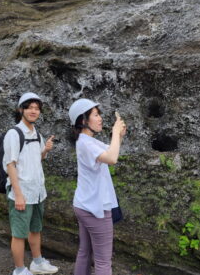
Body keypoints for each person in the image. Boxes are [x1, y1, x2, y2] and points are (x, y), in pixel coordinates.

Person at [68, 98, 126, 275]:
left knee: (85, 252)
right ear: (83, 121)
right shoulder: (86, 143)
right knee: (103, 262)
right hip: (96, 209)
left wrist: (119, 137)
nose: (100, 118)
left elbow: (110, 151)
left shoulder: (87, 141)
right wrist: (115, 132)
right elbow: (112, 159)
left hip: (84, 205)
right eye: (96, 115)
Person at [3, 92, 58, 275]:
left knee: (35, 229)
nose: (34, 111)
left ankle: (37, 262)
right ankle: (19, 270)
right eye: (30, 108)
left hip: (38, 192)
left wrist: (45, 151)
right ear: (21, 110)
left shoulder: (36, 133)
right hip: (22, 192)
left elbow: (35, 160)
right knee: (19, 233)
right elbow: (10, 165)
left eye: (37, 108)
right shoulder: (14, 133)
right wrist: (18, 194)